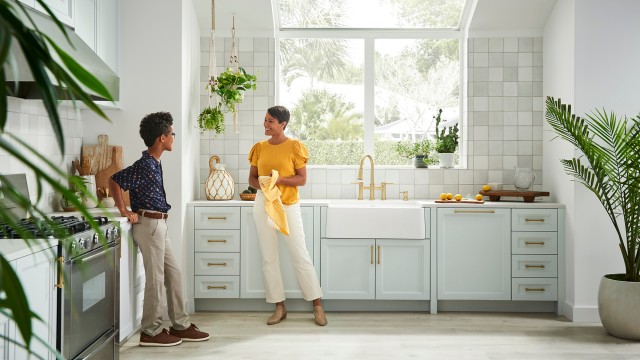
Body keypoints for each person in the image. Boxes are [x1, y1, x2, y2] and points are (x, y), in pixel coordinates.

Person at [109, 112, 210, 346]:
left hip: (160, 224)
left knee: (173, 275)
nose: (174, 137)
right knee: (155, 279)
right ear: (162, 138)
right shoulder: (145, 165)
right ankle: (151, 331)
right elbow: (114, 180)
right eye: (172, 134)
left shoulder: (154, 162)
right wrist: (124, 210)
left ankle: (180, 325)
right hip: (149, 225)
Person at [248, 105, 327, 326]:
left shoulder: (294, 146)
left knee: (299, 254)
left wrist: (278, 180)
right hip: (264, 204)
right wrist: (262, 186)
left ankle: (317, 305)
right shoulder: (259, 148)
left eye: (271, 121)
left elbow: (302, 179)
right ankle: (279, 307)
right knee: (268, 257)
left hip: (288, 205)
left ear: (283, 124)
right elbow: (252, 179)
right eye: (265, 120)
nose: (266, 124)